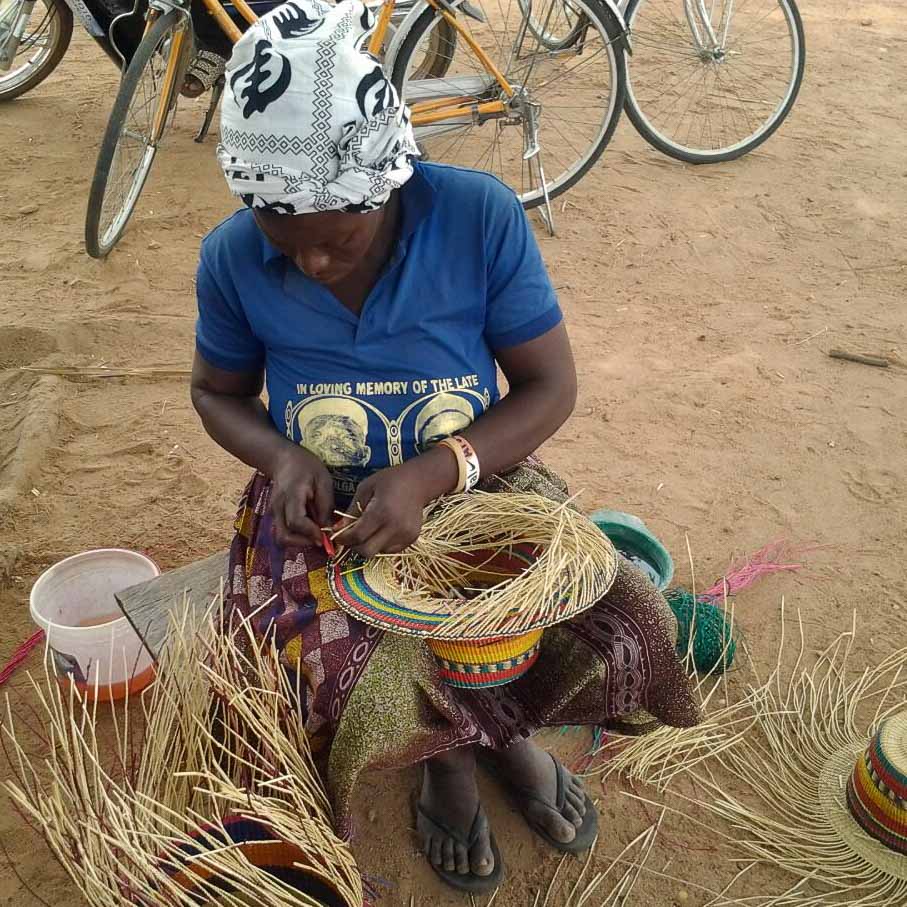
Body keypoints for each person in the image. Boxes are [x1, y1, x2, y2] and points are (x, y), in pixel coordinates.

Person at [191, 0, 699, 893]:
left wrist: (436, 472)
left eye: (337, 237)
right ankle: (450, 761)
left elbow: (548, 386)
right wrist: (281, 457)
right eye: (284, 237)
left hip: (476, 479)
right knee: (326, 660)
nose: (310, 263)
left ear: (388, 179)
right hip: (328, 512)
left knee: (609, 609)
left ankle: (503, 732)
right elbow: (215, 392)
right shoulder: (231, 257)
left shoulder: (475, 218)